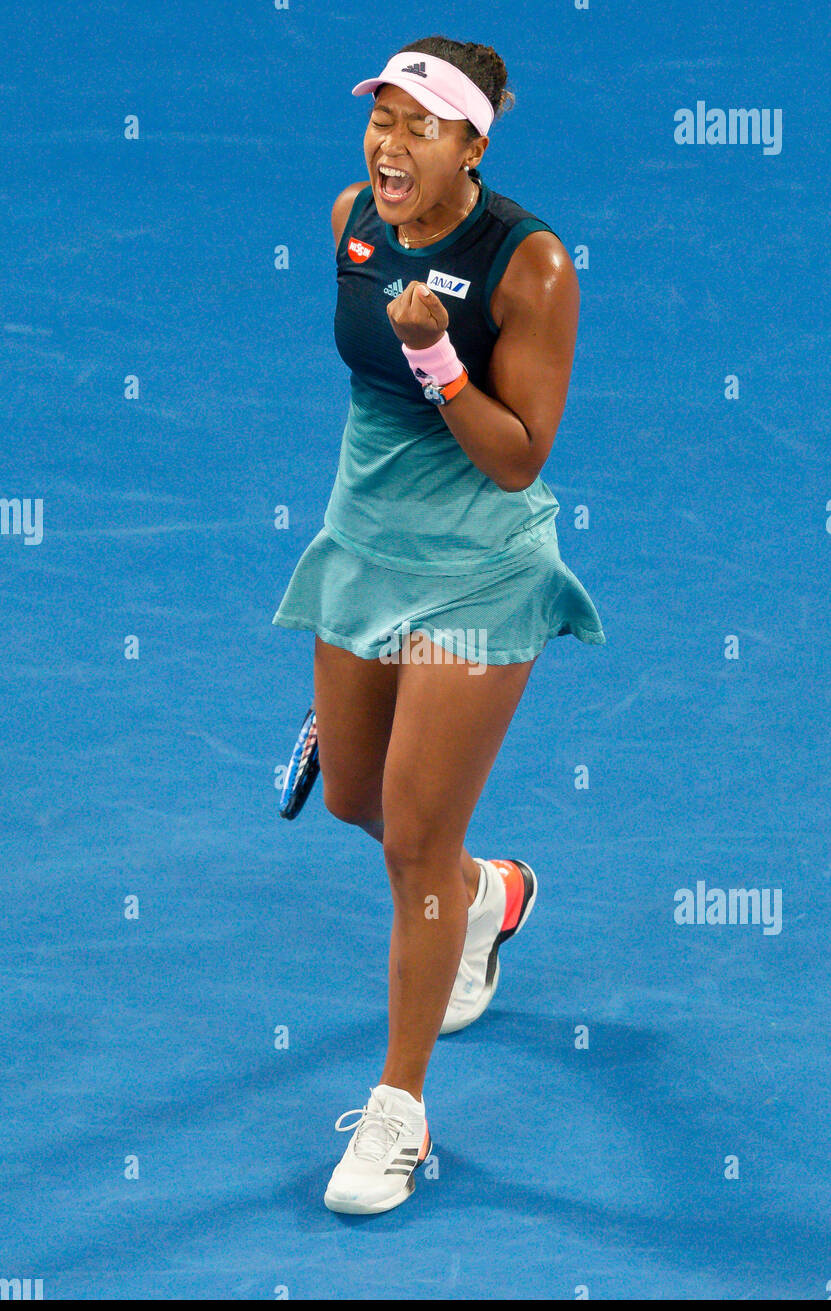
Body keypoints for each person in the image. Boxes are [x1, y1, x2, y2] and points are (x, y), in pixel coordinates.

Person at [272, 35, 606, 1215]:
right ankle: (483, 896)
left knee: (410, 832)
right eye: (381, 118)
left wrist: (438, 360)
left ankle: (399, 1110)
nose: (388, 143)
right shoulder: (349, 221)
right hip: (364, 549)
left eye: (420, 125)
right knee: (361, 801)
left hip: (476, 572)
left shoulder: (533, 268)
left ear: (473, 142)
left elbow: (520, 461)